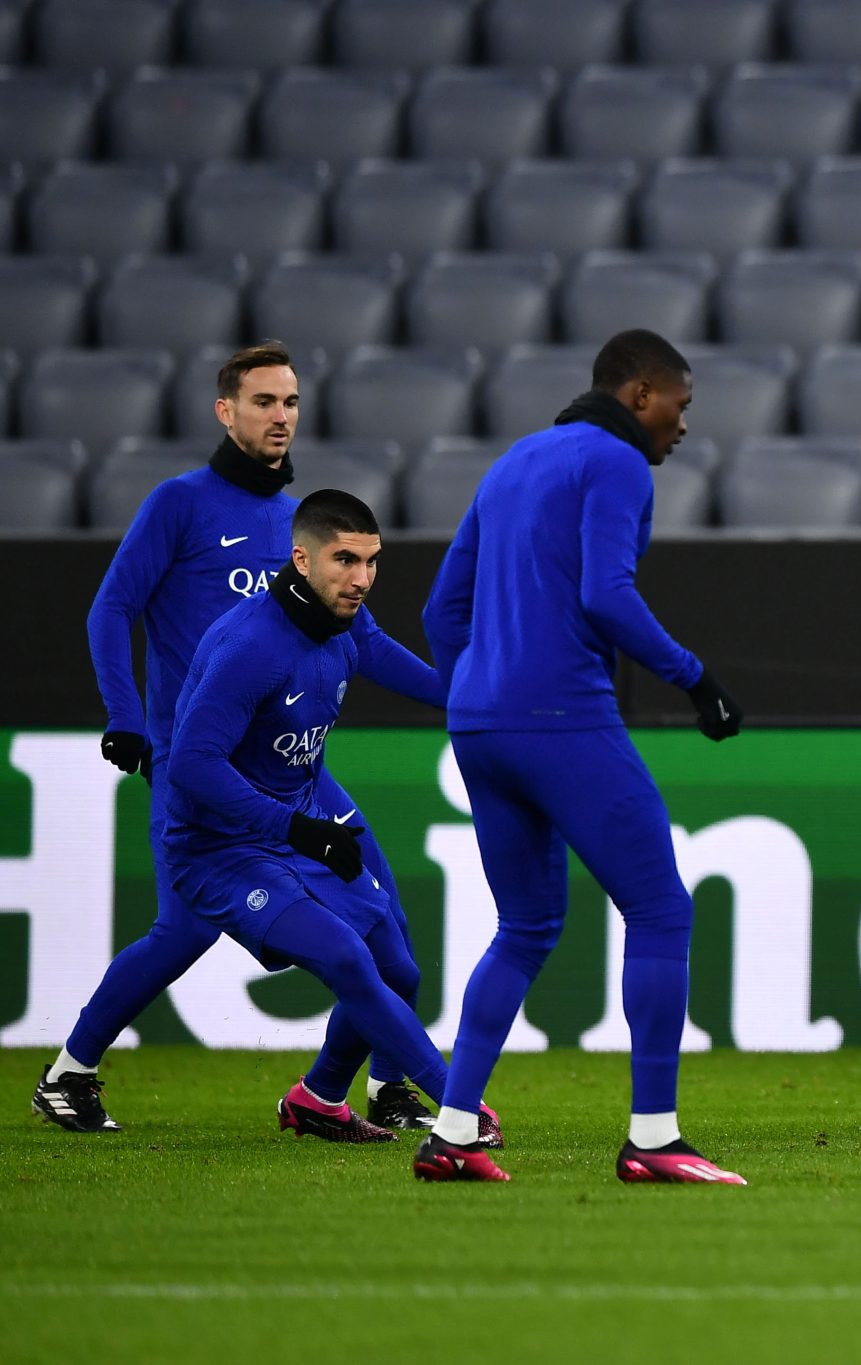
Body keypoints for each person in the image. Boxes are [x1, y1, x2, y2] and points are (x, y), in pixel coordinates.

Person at [34, 342, 450, 1141]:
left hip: (293, 769)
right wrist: (124, 714)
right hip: (198, 760)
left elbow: (364, 638)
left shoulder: (304, 526)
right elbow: (111, 608)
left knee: (386, 925)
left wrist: (463, 695)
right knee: (184, 930)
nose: (281, 416)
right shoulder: (179, 504)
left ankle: (380, 1086)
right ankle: (70, 1070)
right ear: (226, 411)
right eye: (263, 401)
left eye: (290, 401)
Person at [418, 329, 745, 1185]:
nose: (682, 425)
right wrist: (695, 677)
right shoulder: (618, 463)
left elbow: (441, 610)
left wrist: (475, 694)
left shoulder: (511, 464)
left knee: (524, 927)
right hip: (561, 713)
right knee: (661, 909)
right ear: (639, 394)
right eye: (679, 404)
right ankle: (654, 1138)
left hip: (479, 726)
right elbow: (606, 594)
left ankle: (452, 1130)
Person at [160, 490, 493, 1147]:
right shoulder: (250, 645)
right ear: (301, 558)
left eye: (371, 561)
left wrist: (476, 695)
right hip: (220, 850)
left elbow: (386, 656)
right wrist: (298, 829)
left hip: (298, 827)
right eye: (345, 560)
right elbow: (192, 765)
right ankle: (462, 1107)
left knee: (398, 970)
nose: (362, 578)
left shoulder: (344, 623)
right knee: (346, 956)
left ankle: (319, 1098)